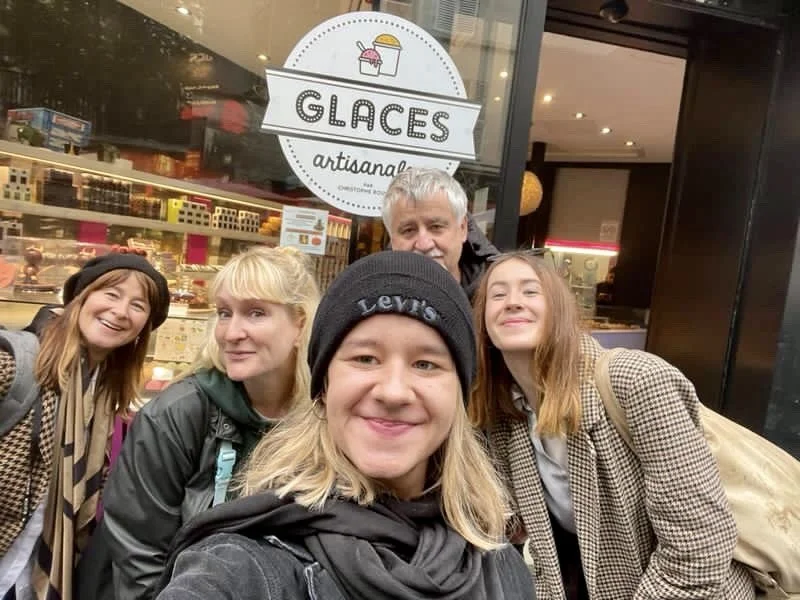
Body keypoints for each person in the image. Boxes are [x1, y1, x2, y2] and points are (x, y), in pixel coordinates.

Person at [152, 251, 535, 600]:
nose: (394, 391)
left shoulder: (499, 564)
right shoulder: (244, 566)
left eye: (426, 364)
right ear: (323, 385)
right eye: (366, 358)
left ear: (459, 396)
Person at [469, 251, 756, 600]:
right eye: (498, 295)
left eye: (531, 292)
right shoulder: (501, 415)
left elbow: (698, 547)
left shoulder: (638, 381)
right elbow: (514, 528)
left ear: (560, 309)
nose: (513, 303)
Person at [101, 246, 320, 600]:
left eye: (256, 313)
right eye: (224, 313)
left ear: (300, 323)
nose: (232, 333)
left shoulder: (324, 418)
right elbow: (138, 553)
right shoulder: (177, 414)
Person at [0, 253, 170, 600]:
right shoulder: (14, 365)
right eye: (111, 294)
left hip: (31, 579)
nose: (121, 311)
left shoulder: (106, 399)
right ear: (82, 296)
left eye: (138, 305)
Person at [383, 167, 498, 299]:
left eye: (436, 227)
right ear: (392, 239)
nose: (424, 244)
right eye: (409, 230)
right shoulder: (369, 307)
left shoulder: (496, 303)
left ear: (462, 228)